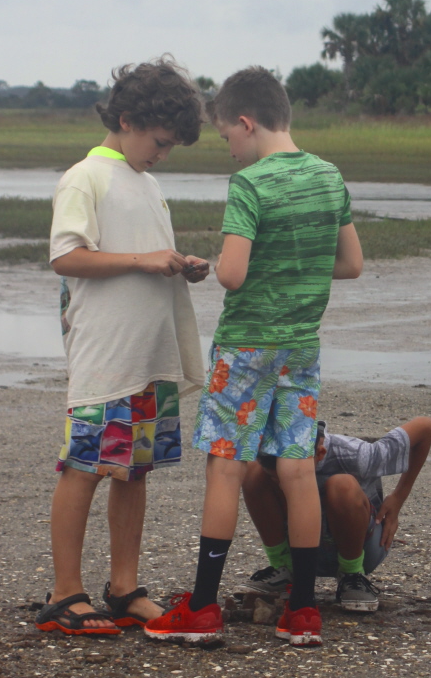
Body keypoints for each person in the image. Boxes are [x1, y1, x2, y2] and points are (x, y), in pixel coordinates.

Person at [145, 66, 362, 647]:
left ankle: (202, 607)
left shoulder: (252, 186)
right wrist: (296, 270)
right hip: (300, 347)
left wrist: (209, 267)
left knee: (224, 465)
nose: (230, 151)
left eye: (226, 138)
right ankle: (303, 612)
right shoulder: (329, 176)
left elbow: (234, 276)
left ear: (245, 122)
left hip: (245, 348)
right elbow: (351, 264)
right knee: (297, 471)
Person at [35, 57, 208, 636]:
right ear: (128, 119)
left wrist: (180, 265)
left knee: (134, 469)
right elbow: (66, 255)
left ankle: (124, 587)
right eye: (159, 141)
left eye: (171, 146)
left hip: (147, 354)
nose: (163, 153)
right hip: (106, 354)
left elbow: (147, 256)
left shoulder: (148, 182)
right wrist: (142, 259)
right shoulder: (86, 176)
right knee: (84, 466)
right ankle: (65, 594)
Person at [241, 416, 431, 612]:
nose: (284, 483)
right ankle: (283, 567)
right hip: (300, 551)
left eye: (290, 474)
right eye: (278, 478)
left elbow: (425, 427)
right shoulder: (266, 456)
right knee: (253, 472)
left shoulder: (358, 455)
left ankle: (352, 576)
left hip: (359, 547)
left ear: (320, 453)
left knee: (342, 485)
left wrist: (398, 498)